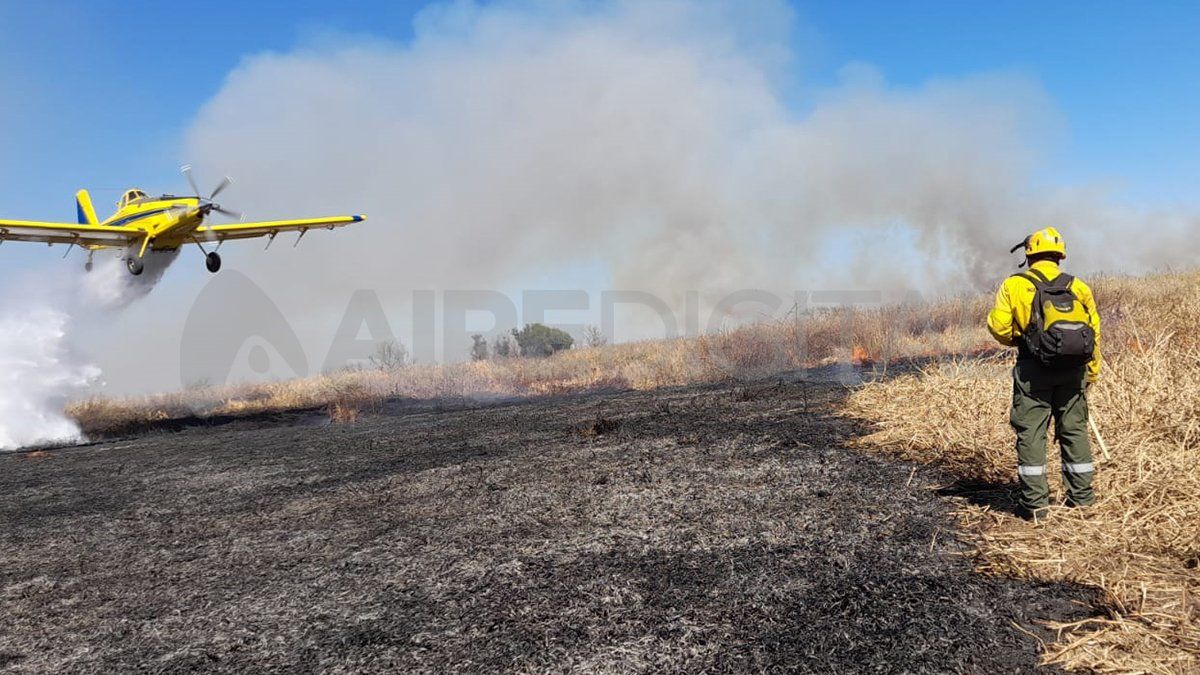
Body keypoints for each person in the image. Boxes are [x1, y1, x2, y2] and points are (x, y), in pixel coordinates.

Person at [986, 227, 1101, 521]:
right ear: (1060, 254)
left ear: (1029, 254)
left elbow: (999, 328)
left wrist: (1024, 339)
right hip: (1074, 372)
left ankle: (1036, 507)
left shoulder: (1014, 285)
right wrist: (1092, 373)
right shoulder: (1079, 287)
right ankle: (1083, 501)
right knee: (1074, 431)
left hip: (1033, 371)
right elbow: (1094, 333)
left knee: (1031, 433)